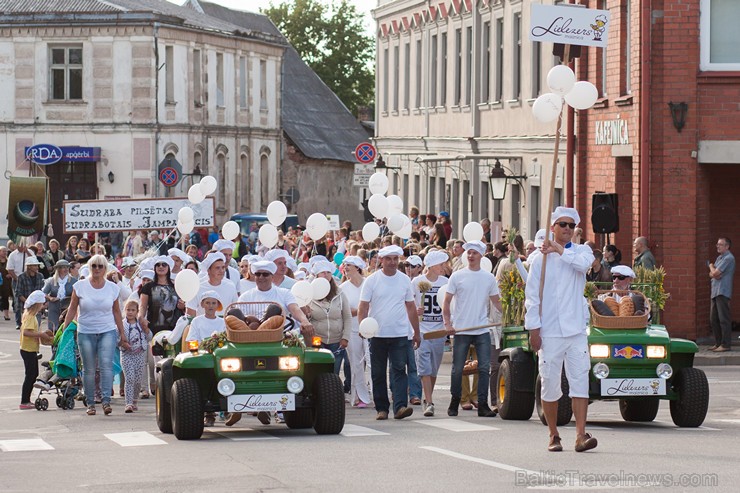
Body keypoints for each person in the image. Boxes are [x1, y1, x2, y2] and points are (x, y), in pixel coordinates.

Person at [525, 207, 597, 452]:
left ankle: (580, 434)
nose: (566, 229)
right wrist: (534, 329)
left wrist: (558, 249)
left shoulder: (582, 252)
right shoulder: (538, 260)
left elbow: (583, 266)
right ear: (553, 227)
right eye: (562, 224)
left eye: (570, 225)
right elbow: (532, 297)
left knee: (579, 382)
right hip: (551, 331)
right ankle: (553, 434)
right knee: (550, 383)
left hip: (576, 329)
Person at [358, 245, 420, 421]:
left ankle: (400, 407)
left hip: (399, 333)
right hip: (377, 334)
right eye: (389, 259)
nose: (392, 262)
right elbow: (363, 306)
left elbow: (411, 307)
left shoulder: (404, 280)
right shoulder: (372, 280)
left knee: (399, 370)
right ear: (381, 260)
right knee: (378, 372)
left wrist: (416, 331)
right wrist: (363, 326)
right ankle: (382, 408)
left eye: (395, 259)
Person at [63, 254, 130, 416]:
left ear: (105, 268)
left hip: (107, 330)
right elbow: (72, 308)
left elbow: (116, 312)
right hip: (86, 330)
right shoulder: (80, 286)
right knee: (89, 368)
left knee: (106, 366)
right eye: (94, 266)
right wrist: (65, 329)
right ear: (90, 267)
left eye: (100, 266)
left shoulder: (113, 288)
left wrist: (122, 332)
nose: (97, 269)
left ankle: (106, 401)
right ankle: (91, 403)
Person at [442, 240, 501, 418]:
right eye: (468, 253)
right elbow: (446, 302)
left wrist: (510, 313)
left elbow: (497, 302)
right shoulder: (457, 276)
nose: (471, 256)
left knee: (484, 368)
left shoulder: (488, 278)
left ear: (481, 255)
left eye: (474, 253)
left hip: (482, 329)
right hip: (461, 330)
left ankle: (482, 404)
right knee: (457, 369)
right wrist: (448, 324)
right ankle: (455, 401)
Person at [139, 255, 183, 396]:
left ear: (169, 267)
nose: (161, 267)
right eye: (158, 265)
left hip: (174, 330)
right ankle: (158, 389)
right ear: (154, 268)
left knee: (173, 360)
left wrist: (183, 306)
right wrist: (142, 319)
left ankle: (171, 389)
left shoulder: (176, 285)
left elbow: (185, 306)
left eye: (164, 264)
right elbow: (142, 307)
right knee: (155, 362)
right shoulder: (148, 287)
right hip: (154, 329)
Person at [411, 250, 449, 417]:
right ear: (433, 266)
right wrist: (415, 311)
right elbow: (409, 302)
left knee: (433, 368)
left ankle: (428, 397)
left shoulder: (445, 282)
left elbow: (449, 304)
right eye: (441, 264)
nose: (444, 267)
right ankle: (429, 401)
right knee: (424, 367)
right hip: (423, 331)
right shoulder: (417, 282)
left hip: (439, 330)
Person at [306, 260, 352, 383]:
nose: (326, 275)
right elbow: (305, 318)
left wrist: (345, 337)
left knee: (334, 372)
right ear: (316, 276)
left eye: (328, 272)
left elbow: (347, 316)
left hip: (336, 340)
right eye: (322, 273)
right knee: (318, 371)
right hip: (318, 340)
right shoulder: (309, 294)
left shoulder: (339, 294)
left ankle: (333, 396)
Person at [340, 256, 372, 408]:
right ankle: (360, 396)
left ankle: (376, 393)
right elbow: (344, 311)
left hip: (372, 329)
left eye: (349, 266)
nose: (345, 269)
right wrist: (360, 310)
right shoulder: (343, 288)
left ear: (357, 268)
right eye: (344, 266)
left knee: (372, 364)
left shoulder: (369, 283)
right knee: (356, 364)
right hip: (352, 330)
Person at [19, 290, 50, 409]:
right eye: (42, 303)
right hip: (28, 349)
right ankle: (25, 400)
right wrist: (40, 335)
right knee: (31, 375)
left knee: (32, 374)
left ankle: (26, 399)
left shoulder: (28, 314)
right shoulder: (31, 317)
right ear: (37, 304)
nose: (43, 306)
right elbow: (26, 332)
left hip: (28, 349)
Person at [186, 253, 238, 318]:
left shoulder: (231, 286)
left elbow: (234, 308)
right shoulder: (197, 287)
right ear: (209, 270)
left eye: (223, 267)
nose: (221, 271)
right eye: (217, 268)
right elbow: (190, 312)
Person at [121, 300, 150, 413]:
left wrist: (146, 329)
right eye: (128, 310)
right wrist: (122, 343)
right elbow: (116, 338)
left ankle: (134, 400)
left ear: (137, 312)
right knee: (130, 378)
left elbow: (149, 337)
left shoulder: (140, 324)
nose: (130, 312)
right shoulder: (122, 324)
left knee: (137, 380)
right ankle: (128, 403)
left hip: (139, 354)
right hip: (127, 354)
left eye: (133, 310)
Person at [709, 237, 735, 352]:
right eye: (717, 244)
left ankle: (725, 344)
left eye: (720, 244)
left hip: (722, 291)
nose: (718, 246)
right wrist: (714, 273)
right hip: (715, 291)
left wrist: (710, 266)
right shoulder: (720, 258)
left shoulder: (728, 258)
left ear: (727, 246)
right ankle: (718, 342)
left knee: (723, 318)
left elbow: (715, 272)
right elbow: (714, 275)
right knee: (713, 318)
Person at [42, 259, 77, 333]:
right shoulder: (51, 281)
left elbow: (78, 293)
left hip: (67, 308)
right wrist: (50, 298)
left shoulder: (73, 281)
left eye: (67, 267)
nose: (66, 269)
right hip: (54, 308)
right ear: (58, 269)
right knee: (53, 328)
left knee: (67, 328)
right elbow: (43, 293)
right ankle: (54, 343)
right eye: (63, 267)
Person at [7, 238, 34, 330]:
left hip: (29, 278)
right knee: (18, 300)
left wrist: (27, 252)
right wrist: (18, 279)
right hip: (17, 279)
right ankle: (18, 322)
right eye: (19, 245)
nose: (21, 247)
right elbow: (10, 269)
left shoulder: (29, 252)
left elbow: (34, 261)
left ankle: (29, 320)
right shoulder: (12, 255)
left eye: (23, 245)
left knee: (30, 299)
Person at [15, 257, 46, 331]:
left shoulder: (40, 276)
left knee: (36, 326)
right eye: (34, 265)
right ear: (29, 266)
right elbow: (18, 293)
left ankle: (35, 340)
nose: (37, 267)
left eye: (37, 265)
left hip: (37, 306)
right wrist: (28, 302)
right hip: (25, 306)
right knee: (27, 326)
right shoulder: (21, 277)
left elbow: (43, 291)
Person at [0, 246, 12, 320]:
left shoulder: (9, 261)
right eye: (3, 251)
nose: (5, 252)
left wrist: (10, 274)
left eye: (6, 251)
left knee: (5, 298)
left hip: (6, 283)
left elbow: (13, 269)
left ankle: (6, 315)